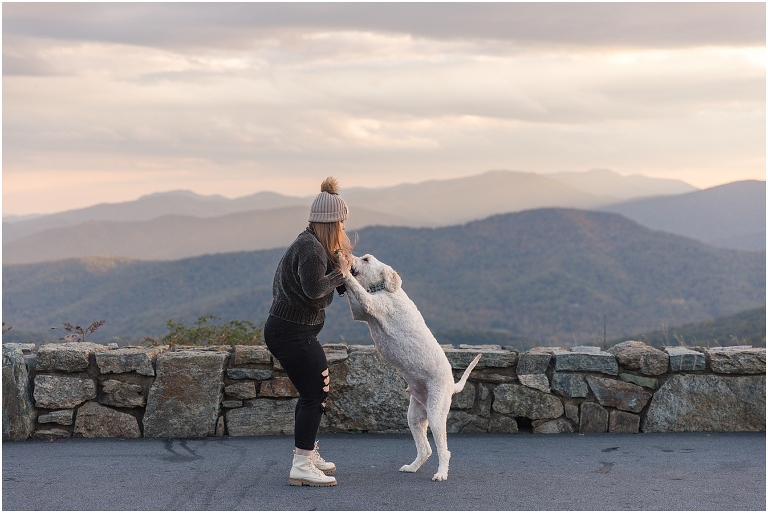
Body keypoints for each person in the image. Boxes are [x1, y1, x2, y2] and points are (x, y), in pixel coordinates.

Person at [263, 176, 354, 487]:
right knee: (315, 393)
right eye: (341, 223)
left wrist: (341, 271)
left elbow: (323, 285)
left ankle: (307, 454)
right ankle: (301, 464)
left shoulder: (313, 243)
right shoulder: (311, 248)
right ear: (332, 223)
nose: (343, 228)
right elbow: (314, 289)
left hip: (294, 331)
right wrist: (340, 274)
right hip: (291, 333)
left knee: (317, 391)